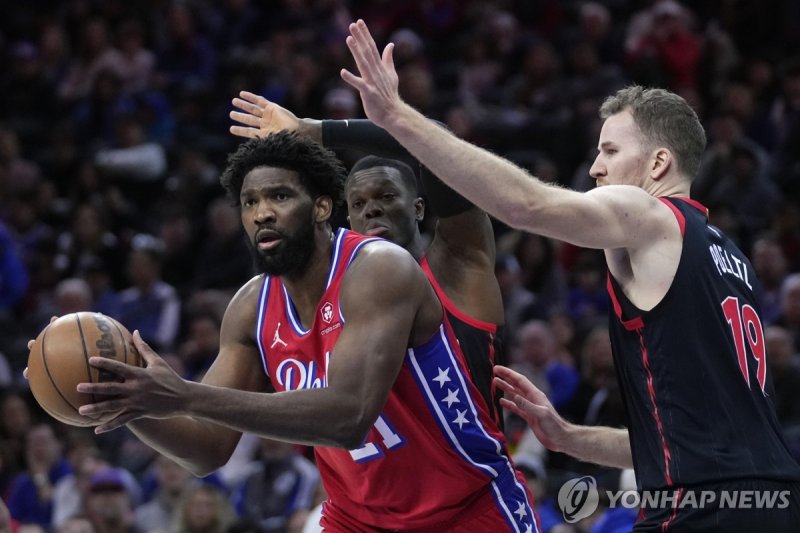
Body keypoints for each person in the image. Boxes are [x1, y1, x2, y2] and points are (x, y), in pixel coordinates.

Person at [339, 19, 800, 531]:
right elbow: (694, 441)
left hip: (703, 510)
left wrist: (397, 119)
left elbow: (525, 205)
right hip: (773, 503)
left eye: (610, 151)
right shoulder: (731, 260)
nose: (597, 169)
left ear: (659, 163)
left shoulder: (651, 216)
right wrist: (568, 437)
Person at [49, 131, 536, 531]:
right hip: (357, 520)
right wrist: (130, 399)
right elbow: (208, 450)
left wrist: (183, 395)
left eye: (279, 196)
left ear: (322, 207)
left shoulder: (378, 269)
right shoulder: (250, 308)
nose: (262, 212)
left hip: (466, 509)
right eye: (249, 201)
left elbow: (348, 418)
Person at [229, 91, 506, 427]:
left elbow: (439, 142)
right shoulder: (340, 294)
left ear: (418, 208)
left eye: (386, 196)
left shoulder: (458, 261)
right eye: (357, 204)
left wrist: (317, 132)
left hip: (474, 472)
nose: (371, 208)